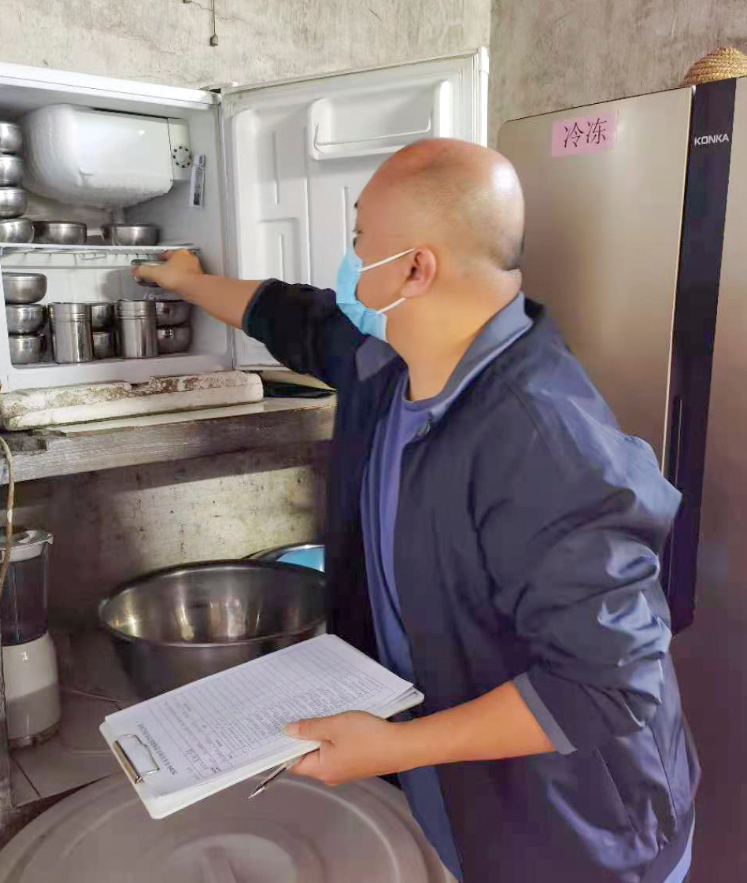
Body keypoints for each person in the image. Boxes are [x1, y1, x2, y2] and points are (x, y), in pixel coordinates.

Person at [135, 138, 699, 883]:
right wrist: (188, 282)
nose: (349, 259)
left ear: (414, 269)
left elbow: (610, 683)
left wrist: (395, 747)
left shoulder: (545, 442)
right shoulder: (389, 360)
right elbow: (294, 316)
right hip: (459, 794)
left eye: (360, 237)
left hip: (578, 832)